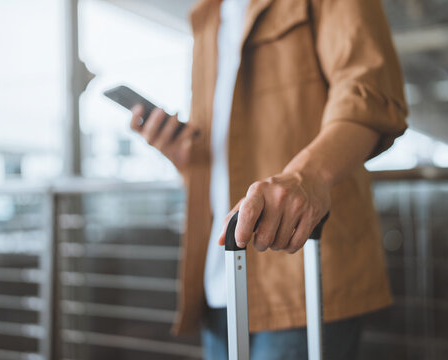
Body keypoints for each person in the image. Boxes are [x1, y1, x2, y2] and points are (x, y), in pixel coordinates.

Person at [130, 0, 408, 358]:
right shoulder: (205, 13)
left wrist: (307, 176)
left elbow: (368, 96)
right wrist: (186, 160)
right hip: (220, 282)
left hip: (303, 275)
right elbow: (226, 153)